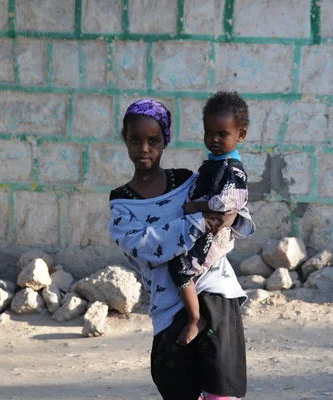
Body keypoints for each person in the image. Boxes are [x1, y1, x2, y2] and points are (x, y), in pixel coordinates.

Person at [108, 99, 255, 400]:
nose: (144, 149)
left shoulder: (188, 180)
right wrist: (199, 220)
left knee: (222, 393)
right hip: (167, 306)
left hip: (215, 293)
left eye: (153, 140)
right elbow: (146, 246)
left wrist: (226, 216)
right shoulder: (121, 204)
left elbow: (235, 208)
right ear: (125, 140)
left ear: (165, 142)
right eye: (136, 140)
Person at [169, 91, 249, 346]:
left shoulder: (232, 168)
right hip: (204, 229)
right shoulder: (214, 163)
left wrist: (196, 205)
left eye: (222, 134)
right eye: (208, 133)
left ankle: (196, 319)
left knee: (181, 269)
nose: (213, 139)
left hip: (214, 233)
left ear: (241, 135)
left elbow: (229, 202)